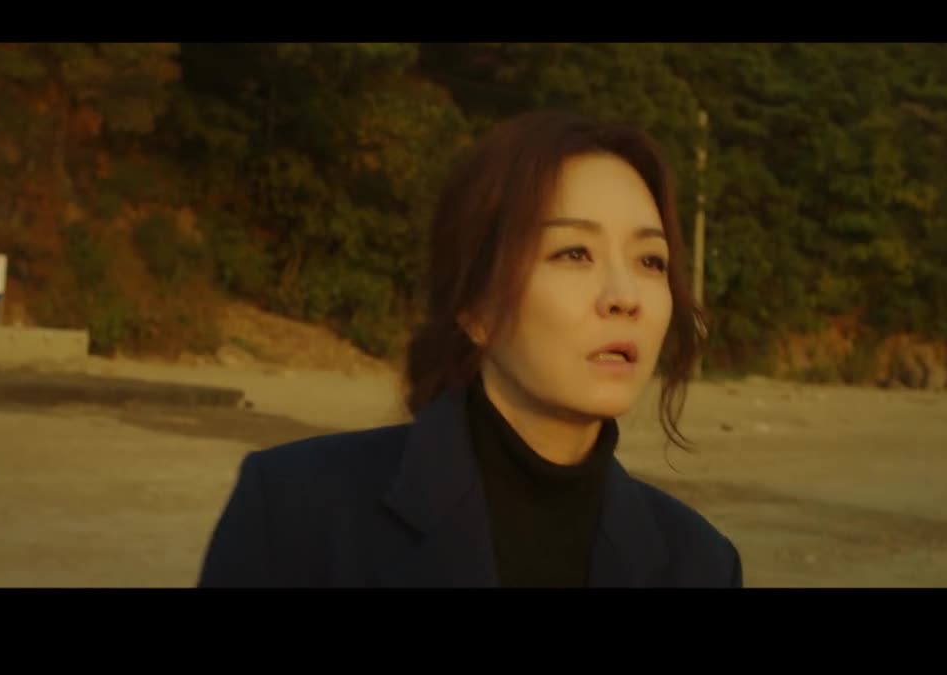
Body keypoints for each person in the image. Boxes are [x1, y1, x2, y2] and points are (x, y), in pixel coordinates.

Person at [197, 109, 742, 588]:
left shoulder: (699, 562)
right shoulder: (296, 511)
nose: (626, 297)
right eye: (575, 253)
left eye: (650, 261)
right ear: (474, 307)